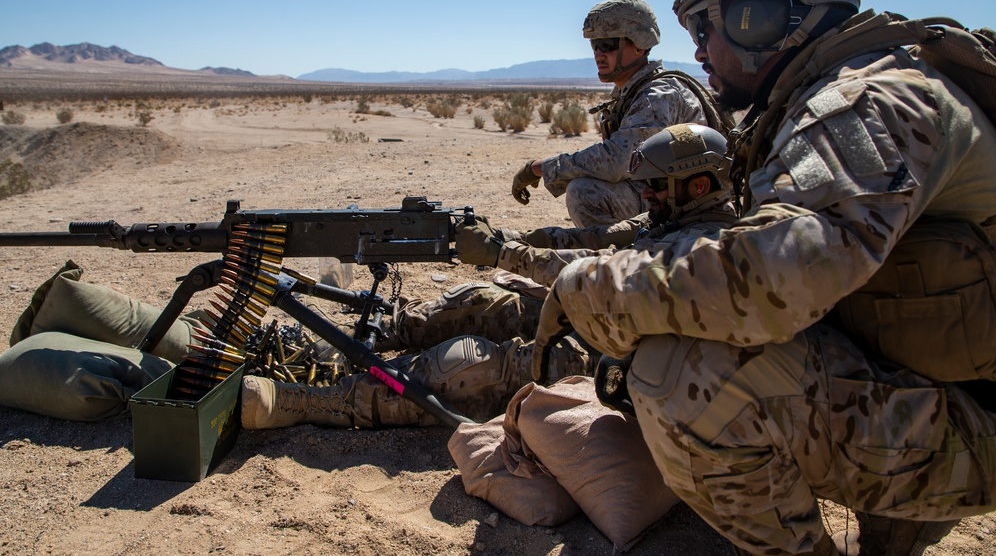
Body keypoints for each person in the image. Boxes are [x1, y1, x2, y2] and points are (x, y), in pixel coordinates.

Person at [532, 0, 996, 556]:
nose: (699, 50)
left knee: (683, 375)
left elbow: (775, 277)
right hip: (947, 382)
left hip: (978, 416)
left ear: (762, 17)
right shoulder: (853, 88)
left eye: (706, 27)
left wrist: (594, 288)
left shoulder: (863, 101)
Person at [240, 123, 738, 429]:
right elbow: (598, 240)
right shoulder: (671, 219)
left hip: (623, 359)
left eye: (654, 187)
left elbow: (593, 278)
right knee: (479, 304)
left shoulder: (705, 251)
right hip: (598, 323)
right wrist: (515, 237)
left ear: (697, 185)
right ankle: (343, 347)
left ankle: (318, 400)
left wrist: (504, 253)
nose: (645, 196)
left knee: (471, 367)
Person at [510, 0, 717, 227]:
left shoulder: (658, 95)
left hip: (688, 201)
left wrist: (542, 167)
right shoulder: (633, 91)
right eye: (594, 45)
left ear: (639, 45)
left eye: (607, 45)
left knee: (585, 192)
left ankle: (624, 259)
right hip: (663, 194)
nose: (598, 54)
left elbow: (618, 160)